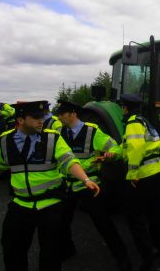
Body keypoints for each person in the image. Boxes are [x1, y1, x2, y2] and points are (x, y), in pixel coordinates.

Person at [0, 100, 100, 271]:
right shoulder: (5, 141)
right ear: (20, 120)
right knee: (12, 252)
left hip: (50, 206)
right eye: (35, 117)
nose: (41, 121)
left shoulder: (53, 138)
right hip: (20, 205)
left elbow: (69, 161)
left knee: (51, 256)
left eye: (42, 117)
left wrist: (85, 179)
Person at [56, 100, 131, 271]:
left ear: (72, 114)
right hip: (68, 184)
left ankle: (122, 256)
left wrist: (112, 154)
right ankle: (68, 249)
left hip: (89, 185)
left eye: (62, 113)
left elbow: (117, 149)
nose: (59, 116)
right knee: (62, 221)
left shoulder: (92, 132)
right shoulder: (59, 132)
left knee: (102, 222)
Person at [120, 93, 160, 271]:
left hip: (143, 175)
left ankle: (147, 256)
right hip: (157, 170)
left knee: (135, 218)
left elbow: (136, 147)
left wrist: (132, 173)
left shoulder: (132, 123)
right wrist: (112, 154)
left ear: (125, 108)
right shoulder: (145, 121)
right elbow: (129, 146)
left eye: (122, 107)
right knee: (156, 212)